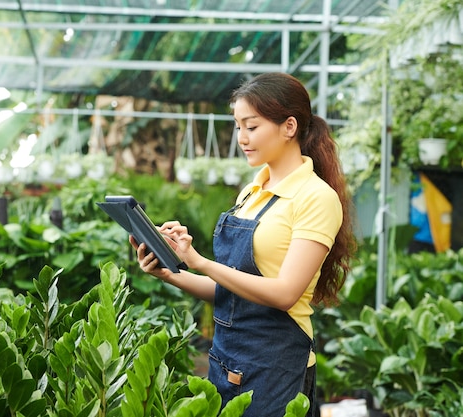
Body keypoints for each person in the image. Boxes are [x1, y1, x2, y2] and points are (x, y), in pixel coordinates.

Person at [131, 72, 356, 417]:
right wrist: (171, 271)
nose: (242, 138)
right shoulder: (250, 193)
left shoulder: (315, 198)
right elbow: (231, 294)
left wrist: (201, 262)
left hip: (276, 367)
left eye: (251, 127)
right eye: (238, 127)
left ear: (289, 126)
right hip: (226, 360)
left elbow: (284, 293)